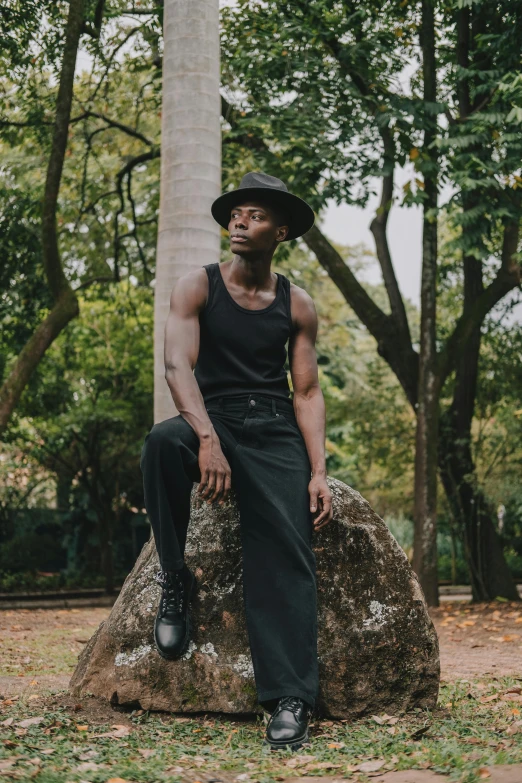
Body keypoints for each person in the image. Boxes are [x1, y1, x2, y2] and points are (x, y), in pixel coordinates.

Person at [140, 171, 333, 750]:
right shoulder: (196, 287)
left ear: (282, 231)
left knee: (286, 554)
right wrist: (206, 439)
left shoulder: (297, 303)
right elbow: (177, 368)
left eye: (254, 215)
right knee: (160, 444)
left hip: (274, 431)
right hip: (213, 416)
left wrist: (318, 469)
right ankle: (175, 579)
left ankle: (290, 699)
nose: (238, 222)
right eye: (235, 214)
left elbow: (306, 391)